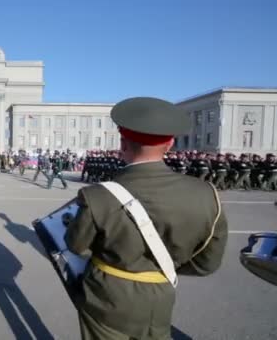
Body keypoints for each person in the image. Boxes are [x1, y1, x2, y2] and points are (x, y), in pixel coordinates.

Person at [64, 97, 228, 340]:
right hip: (161, 294)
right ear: (170, 144)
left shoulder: (96, 196)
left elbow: (76, 245)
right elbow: (207, 263)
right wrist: (159, 268)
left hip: (106, 295)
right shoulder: (206, 194)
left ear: (123, 142)